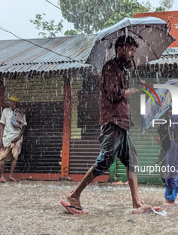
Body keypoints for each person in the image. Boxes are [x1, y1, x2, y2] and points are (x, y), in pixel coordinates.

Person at [62, 35, 161, 214]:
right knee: (105, 161)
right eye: (130, 50)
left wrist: (137, 86)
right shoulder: (110, 68)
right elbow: (115, 94)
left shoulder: (121, 70)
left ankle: (137, 203)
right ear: (120, 49)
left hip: (122, 123)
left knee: (131, 161)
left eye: (134, 51)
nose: (132, 55)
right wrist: (136, 89)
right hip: (112, 122)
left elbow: (122, 92)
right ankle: (74, 195)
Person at [0, 96, 27, 183]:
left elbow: (24, 126)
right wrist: (1, 137)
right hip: (6, 137)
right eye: (9, 101)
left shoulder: (21, 113)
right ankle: (2, 176)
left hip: (17, 138)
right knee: (2, 157)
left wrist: (19, 137)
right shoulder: (5, 111)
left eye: (11, 101)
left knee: (15, 157)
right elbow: (1, 124)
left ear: (15, 103)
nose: (9, 102)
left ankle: (11, 175)